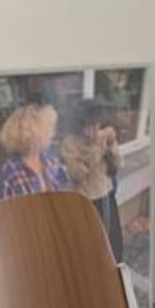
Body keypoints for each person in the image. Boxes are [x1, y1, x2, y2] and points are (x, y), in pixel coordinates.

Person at [61, 99, 125, 263]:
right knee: (91, 243)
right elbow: (77, 175)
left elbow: (119, 164)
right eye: (89, 127)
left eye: (97, 125)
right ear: (81, 126)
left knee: (114, 241)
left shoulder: (103, 136)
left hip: (107, 196)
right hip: (86, 201)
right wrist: (97, 150)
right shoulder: (70, 144)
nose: (94, 131)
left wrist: (112, 145)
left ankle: (115, 269)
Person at [0, 102, 71, 199]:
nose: (37, 139)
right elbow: (4, 206)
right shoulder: (10, 171)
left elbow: (69, 197)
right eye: (32, 135)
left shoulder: (54, 163)